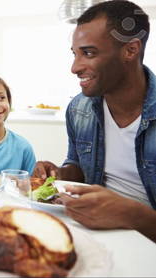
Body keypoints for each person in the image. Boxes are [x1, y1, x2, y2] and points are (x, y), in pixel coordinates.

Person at [33, 1, 156, 242]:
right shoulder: (79, 109)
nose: (75, 67)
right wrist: (60, 174)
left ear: (130, 50)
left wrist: (132, 214)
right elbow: (78, 164)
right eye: (75, 53)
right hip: (94, 232)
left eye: (88, 53)